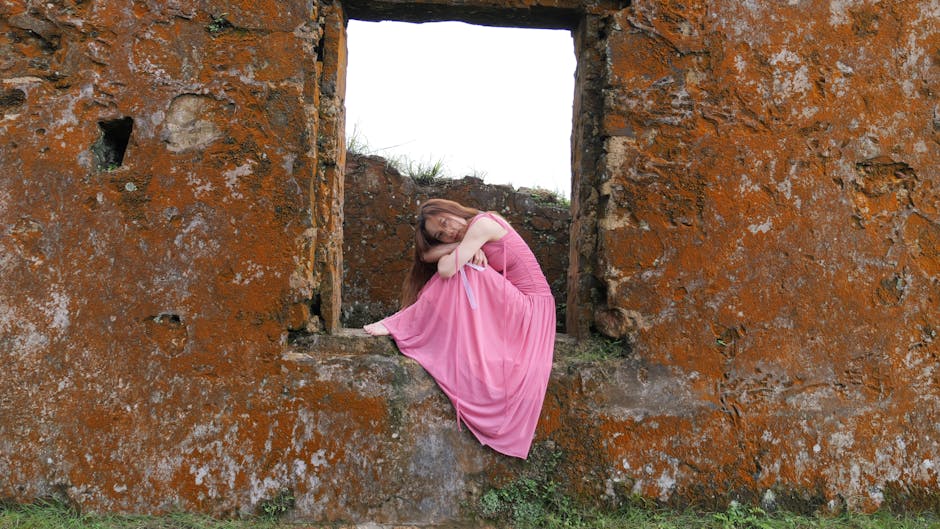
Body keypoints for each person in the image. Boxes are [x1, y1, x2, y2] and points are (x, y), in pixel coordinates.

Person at [363, 198, 556, 459]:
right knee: (467, 264)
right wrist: (460, 247)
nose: (448, 231)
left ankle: (401, 322)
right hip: (529, 308)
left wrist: (458, 252)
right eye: (441, 235)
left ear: (452, 209)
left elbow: (444, 269)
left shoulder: (482, 223)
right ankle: (409, 323)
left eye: (445, 222)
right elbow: (426, 255)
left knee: (468, 269)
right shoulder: (473, 233)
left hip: (531, 309)